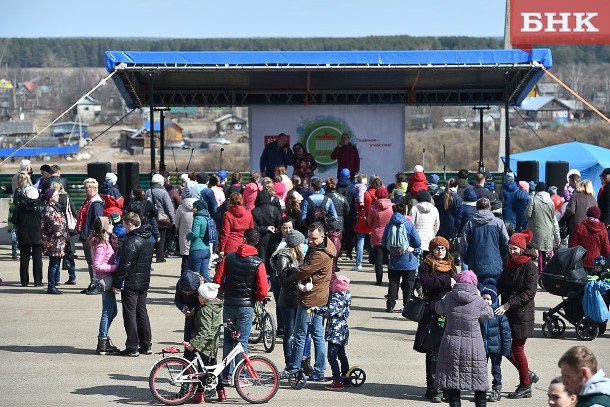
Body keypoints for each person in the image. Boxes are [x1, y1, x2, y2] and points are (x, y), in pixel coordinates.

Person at [213, 228, 269, 379]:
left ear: (243, 239)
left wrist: (225, 291)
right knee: (242, 341)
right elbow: (263, 290)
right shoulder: (258, 263)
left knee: (228, 340)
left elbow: (217, 280)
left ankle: (226, 374)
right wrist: (255, 297)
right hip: (246, 306)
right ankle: (240, 376)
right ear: (256, 243)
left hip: (229, 303)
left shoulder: (229, 257)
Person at [283, 222, 336, 381]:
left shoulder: (320, 254)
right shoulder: (326, 246)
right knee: (317, 334)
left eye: (314, 238)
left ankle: (293, 368)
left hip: (310, 298)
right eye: (309, 237)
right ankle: (319, 370)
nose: (310, 241)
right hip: (320, 296)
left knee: (300, 333)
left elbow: (304, 271)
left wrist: (294, 272)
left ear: (323, 236)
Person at [435, 269, 494, 407]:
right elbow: (489, 314)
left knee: (453, 381)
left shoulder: (449, 297)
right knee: (479, 380)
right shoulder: (478, 300)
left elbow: (438, 309)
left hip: (451, 345)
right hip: (474, 346)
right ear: (474, 283)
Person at [495, 230, 539, 399]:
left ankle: (525, 385)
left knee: (517, 349)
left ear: (522, 248)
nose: (512, 252)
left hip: (522, 314)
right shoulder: (508, 262)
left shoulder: (530, 266)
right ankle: (527, 374)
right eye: (510, 248)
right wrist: (488, 292)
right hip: (508, 312)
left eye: (515, 249)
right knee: (502, 347)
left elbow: (529, 292)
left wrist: (508, 304)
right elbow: (500, 283)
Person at [414, 236, 458, 403]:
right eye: (437, 248)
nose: (440, 251)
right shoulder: (425, 265)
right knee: (432, 349)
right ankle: (432, 387)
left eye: (443, 248)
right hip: (432, 312)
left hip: (450, 312)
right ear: (432, 250)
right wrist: (448, 281)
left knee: (448, 351)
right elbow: (427, 284)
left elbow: (457, 283)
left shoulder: (451, 265)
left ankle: (446, 387)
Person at [112, 212, 154, 357]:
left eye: (124, 225)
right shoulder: (148, 239)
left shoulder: (132, 240)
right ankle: (146, 344)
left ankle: (132, 346)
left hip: (131, 282)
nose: (123, 228)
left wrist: (117, 283)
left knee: (130, 314)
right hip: (143, 281)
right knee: (141, 312)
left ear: (130, 224)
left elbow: (125, 264)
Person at [183, 282, 226, 404]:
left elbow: (204, 331)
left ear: (205, 297)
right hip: (213, 343)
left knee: (203, 371)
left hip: (204, 345)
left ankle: (199, 394)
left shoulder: (205, 311)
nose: (198, 297)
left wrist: (193, 343)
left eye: (200, 295)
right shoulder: (216, 306)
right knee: (214, 369)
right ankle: (221, 392)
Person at [270, 229, 306, 367]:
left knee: (300, 332)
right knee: (289, 332)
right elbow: (283, 280)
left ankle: (300, 360)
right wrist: (297, 273)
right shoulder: (283, 257)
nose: (303, 245)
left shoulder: (301, 256)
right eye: (302, 243)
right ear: (296, 244)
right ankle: (289, 360)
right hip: (287, 299)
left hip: (299, 297)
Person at [312, 275, 352, 391]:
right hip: (343, 330)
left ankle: (337, 380)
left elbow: (330, 311)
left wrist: (316, 309)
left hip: (336, 331)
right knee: (342, 355)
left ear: (337, 288)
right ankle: (346, 377)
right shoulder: (346, 296)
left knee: (332, 356)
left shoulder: (336, 298)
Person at [381, 202, 421, 313]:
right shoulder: (409, 225)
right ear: (405, 212)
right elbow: (417, 242)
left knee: (393, 282)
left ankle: (390, 305)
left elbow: (384, 242)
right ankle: (407, 306)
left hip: (393, 260)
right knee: (408, 284)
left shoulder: (389, 225)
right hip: (408, 260)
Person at [460, 198, 509, 287]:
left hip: (475, 266)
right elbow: (506, 244)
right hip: (495, 265)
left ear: (476, 208)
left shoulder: (469, 224)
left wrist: (467, 260)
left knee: (478, 297)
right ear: (490, 207)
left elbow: (463, 247)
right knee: (493, 295)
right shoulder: (498, 223)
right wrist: (500, 258)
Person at [89, 216, 120, 355]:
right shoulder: (101, 244)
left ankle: (104, 338)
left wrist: (114, 245)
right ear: (104, 228)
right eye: (111, 225)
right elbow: (98, 265)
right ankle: (103, 341)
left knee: (113, 311)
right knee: (108, 312)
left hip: (107, 278)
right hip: (105, 280)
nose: (113, 227)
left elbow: (108, 256)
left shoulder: (105, 242)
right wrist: (115, 267)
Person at [479, 278, 512, 402]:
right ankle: (481, 389)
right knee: (481, 369)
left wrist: (506, 349)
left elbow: (506, 332)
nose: (486, 301)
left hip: (496, 348)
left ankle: (496, 389)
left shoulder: (499, 314)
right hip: (482, 347)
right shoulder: (479, 313)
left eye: (489, 299)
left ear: (493, 300)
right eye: (484, 298)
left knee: (496, 370)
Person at [265, 216, 295, 335]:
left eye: (290, 227)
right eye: (285, 228)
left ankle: (290, 327)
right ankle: (281, 327)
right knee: (279, 301)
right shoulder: (274, 238)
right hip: (276, 275)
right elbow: (268, 256)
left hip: (291, 277)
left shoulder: (295, 238)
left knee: (291, 302)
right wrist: (267, 274)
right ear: (280, 228)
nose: (287, 230)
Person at [13, 181, 43, 287]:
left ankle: (24, 281)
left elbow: (15, 220)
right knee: (37, 259)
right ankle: (38, 281)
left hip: (23, 235)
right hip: (38, 236)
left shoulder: (20, 206)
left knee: (24, 259)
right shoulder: (41, 206)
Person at [77, 178, 104, 295]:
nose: (84, 189)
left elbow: (97, 221)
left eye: (86, 187)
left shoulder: (96, 203)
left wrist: (93, 235)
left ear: (93, 188)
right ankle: (93, 283)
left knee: (93, 261)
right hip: (87, 235)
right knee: (90, 261)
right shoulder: (89, 201)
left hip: (91, 236)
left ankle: (96, 284)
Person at [526, 182, 561, 273]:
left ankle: (540, 272)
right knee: (547, 251)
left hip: (536, 230)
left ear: (536, 190)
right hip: (548, 230)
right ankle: (548, 272)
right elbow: (552, 216)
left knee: (539, 252)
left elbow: (528, 214)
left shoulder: (533, 200)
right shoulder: (551, 201)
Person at [41, 188, 68, 295]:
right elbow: (55, 225)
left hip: (59, 240)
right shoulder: (49, 209)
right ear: (51, 197)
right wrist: (64, 231)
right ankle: (51, 286)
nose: (58, 196)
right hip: (54, 240)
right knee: (53, 264)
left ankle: (53, 285)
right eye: (56, 195)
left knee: (56, 263)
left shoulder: (55, 207)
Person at [52, 181, 78, 285]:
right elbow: (74, 213)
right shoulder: (67, 198)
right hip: (68, 230)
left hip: (57, 230)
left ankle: (56, 279)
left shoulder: (52, 200)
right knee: (69, 255)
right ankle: (72, 277)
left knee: (57, 255)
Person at [174, 270, 203, 359]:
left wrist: (196, 308)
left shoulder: (202, 285)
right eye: (185, 292)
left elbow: (209, 303)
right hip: (190, 317)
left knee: (201, 345)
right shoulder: (180, 284)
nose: (187, 294)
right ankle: (187, 367)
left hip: (202, 317)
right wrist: (183, 307)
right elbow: (177, 300)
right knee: (188, 343)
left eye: (189, 292)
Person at [367, 187, 394, 286]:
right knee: (391, 259)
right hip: (390, 235)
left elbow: (369, 221)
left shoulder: (373, 208)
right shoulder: (392, 206)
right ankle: (391, 280)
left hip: (377, 234)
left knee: (378, 261)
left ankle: (379, 280)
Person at [569, 207, 610, 271]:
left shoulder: (580, 226)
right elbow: (606, 250)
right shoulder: (603, 230)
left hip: (580, 263)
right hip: (597, 265)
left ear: (587, 214)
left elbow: (573, 246)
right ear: (598, 216)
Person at [147, 173, 175, 263]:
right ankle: (160, 257)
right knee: (162, 238)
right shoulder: (163, 192)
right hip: (162, 218)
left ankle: (149, 257)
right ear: (160, 182)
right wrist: (172, 219)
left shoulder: (148, 191)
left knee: (151, 237)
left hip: (151, 217)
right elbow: (169, 207)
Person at [186, 200, 213, 282]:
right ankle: (209, 292)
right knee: (205, 275)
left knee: (195, 275)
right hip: (207, 249)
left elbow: (195, 234)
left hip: (197, 249)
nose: (192, 209)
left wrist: (187, 236)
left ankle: (195, 293)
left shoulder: (197, 218)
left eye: (194, 207)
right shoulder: (208, 217)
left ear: (198, 208)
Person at [409, 189, 440, 259]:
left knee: (418, 260)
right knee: (428, 260)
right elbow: (437, 225)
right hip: (430, 236)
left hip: (417, 237)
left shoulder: (414, 208)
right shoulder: (434, 209)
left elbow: (411, 224)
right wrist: (433, 233)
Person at [175, 197, 197, 275]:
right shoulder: (199, 208)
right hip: (196, 239)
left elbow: (176, 223)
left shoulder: (181, 208)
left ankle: (184, 279)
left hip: (184, 237)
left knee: (185, 260)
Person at [597, 168, 610, 234]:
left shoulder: (608, 188)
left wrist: (605, 223)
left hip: (606, 221)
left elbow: (608, 205)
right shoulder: (606, 187)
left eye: (604, 176)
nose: (603, 179)